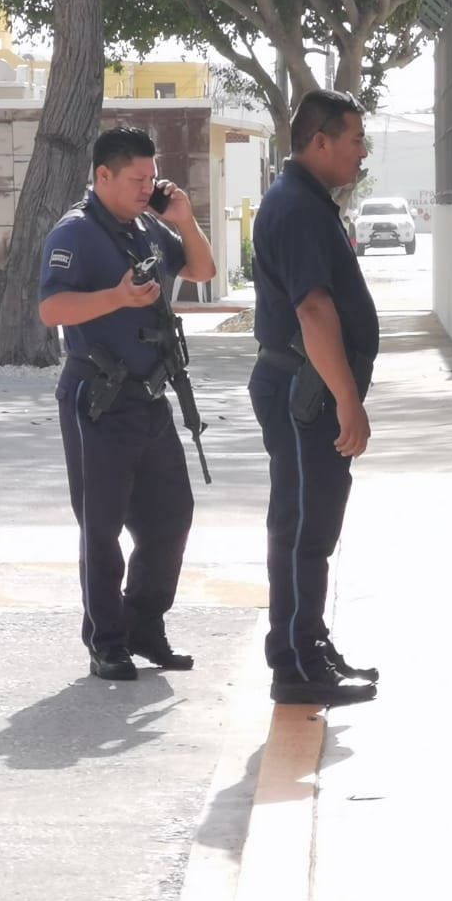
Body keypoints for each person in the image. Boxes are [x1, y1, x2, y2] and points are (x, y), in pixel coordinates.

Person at [39, 125, 216, 681]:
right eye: (136, 179)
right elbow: (51, 310)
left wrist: (182, 219)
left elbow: (203, 271)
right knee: (102, 528)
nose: (147, 188)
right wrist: (116, 297)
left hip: (150, 399)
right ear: (103, 176)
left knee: (171, 518)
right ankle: (107, 640)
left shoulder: (145, 227)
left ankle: (144, 623)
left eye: (152, 177)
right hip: (98, 398)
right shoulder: (75, 234)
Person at [249, 89, 380, 707]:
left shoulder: (307, 201)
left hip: (308, 388)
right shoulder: (298, 207)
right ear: (321, 141)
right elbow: (313, 308)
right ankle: (298, 665)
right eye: (355, 140)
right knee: (304, 530)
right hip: (306, 393)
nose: (362, 153)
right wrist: (347, 400)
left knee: (310, 526)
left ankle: (308, 643)